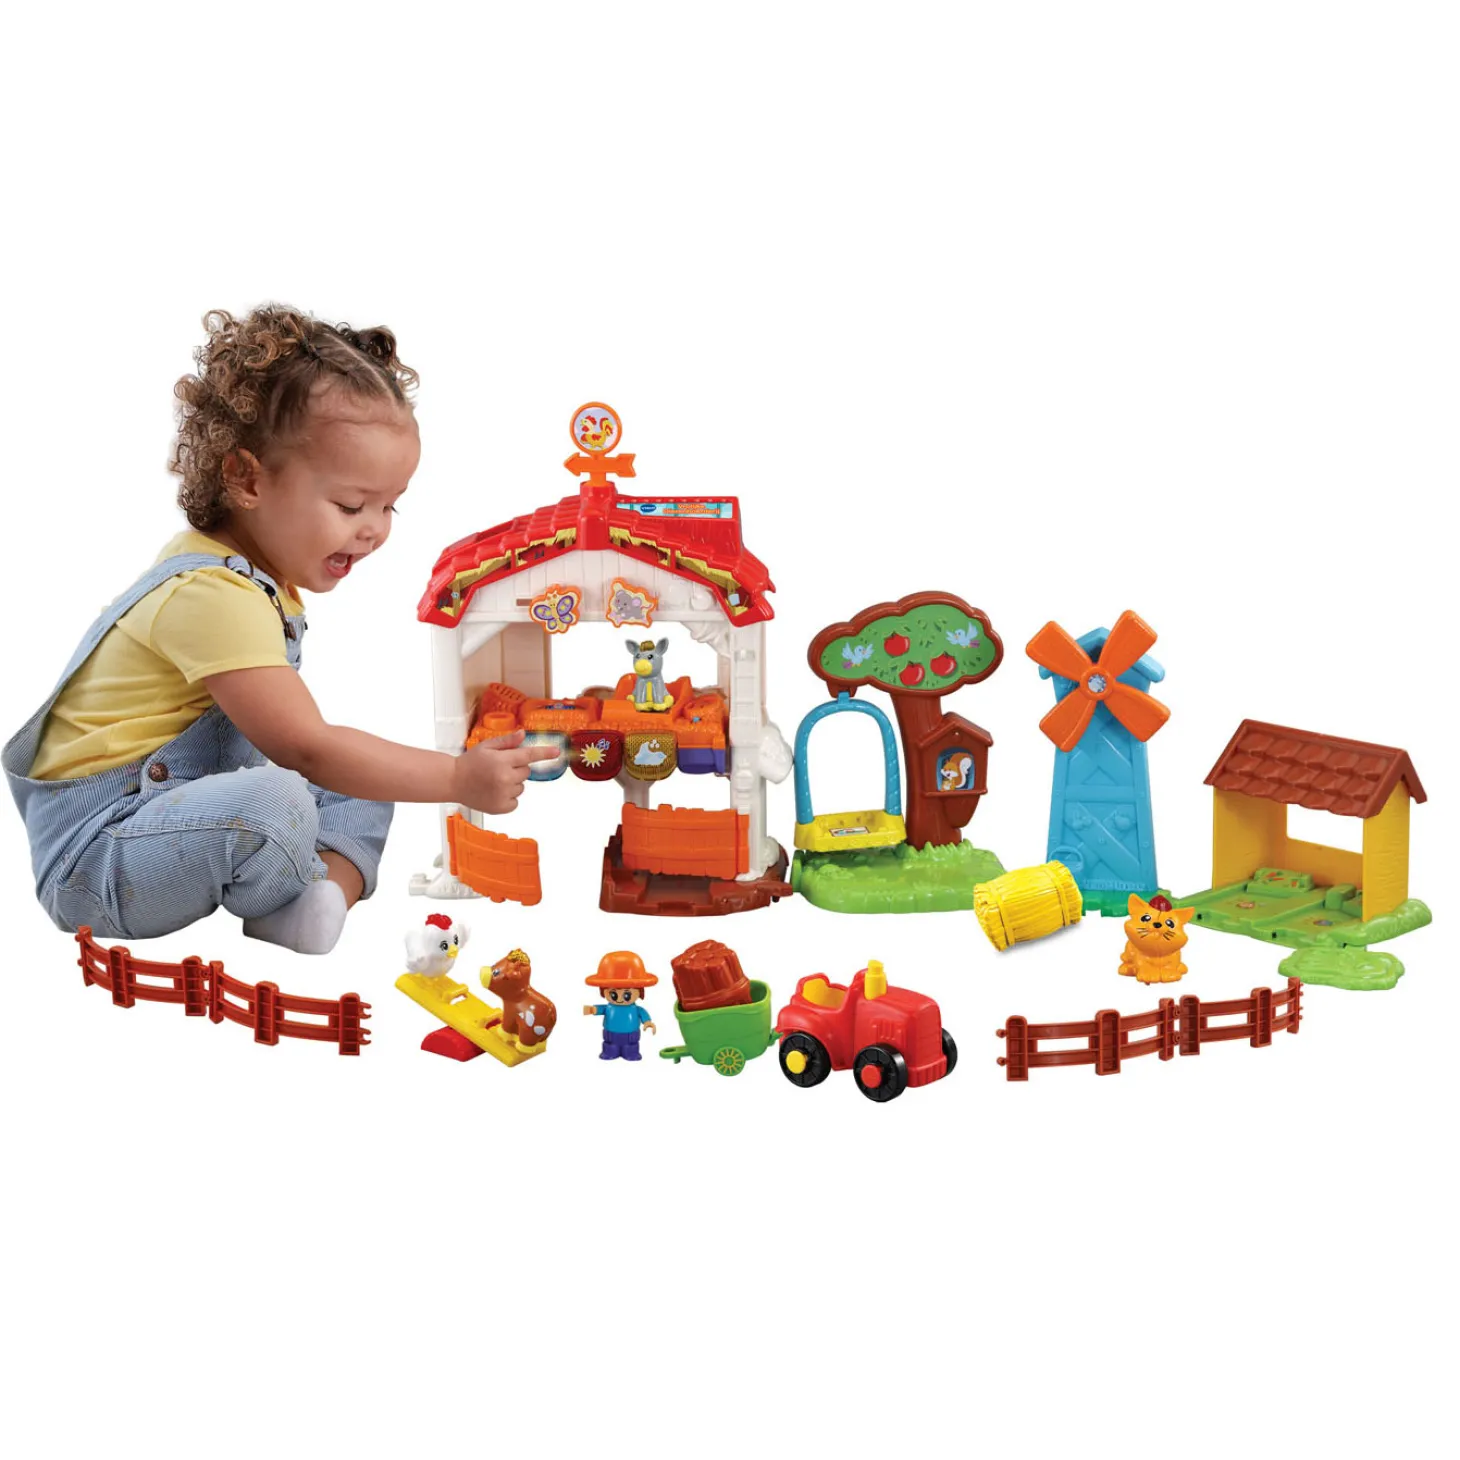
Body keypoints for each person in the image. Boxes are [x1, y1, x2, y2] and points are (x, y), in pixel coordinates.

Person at [3, 305, 555, 954]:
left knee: (366, 779)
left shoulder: (254, 580)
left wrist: (404, 772)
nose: (374, 529)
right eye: (351, 504)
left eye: (389, 506)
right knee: (287, 789)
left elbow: (325, 760)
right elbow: (304, 746)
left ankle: (319, 901)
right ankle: (286, 894)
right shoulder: (211, 595)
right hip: (98, 859)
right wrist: (457, 780)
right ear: (246, 479)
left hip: (169, 815)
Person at [582, 951, 658, 1061]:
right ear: (603, 991)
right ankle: (609, 1052)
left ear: (639, 991)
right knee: (610, 1046)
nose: (620, 998)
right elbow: (600, 1009)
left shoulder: (635, 1009)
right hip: (610, 1035)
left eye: (627, 995)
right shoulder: (609, 1007)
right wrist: (592, 1009)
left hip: (631, 1036)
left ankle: (631, 1053)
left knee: (631, 1048)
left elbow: (642, 1013)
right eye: (613, 994)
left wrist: (647, 1022)